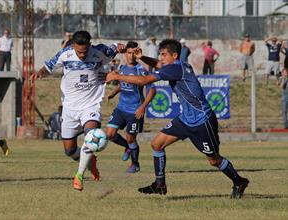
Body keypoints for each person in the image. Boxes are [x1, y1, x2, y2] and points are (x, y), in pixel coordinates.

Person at [106, 39, 249, 199]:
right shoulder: (177, 65)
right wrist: (142, 57)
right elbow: (158, 64)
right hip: (185, 119)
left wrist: (118, 76)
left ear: (174, 55)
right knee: (157, 144)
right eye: (161, 54)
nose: (162, 58)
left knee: (214, 160)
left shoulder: (175, 69)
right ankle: (160, 185)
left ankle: (239, 181)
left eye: (164, 55)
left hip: (202, 121)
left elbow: (144, 80)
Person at [31, 30, 125, 191]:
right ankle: (91, 162)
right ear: (73, 45)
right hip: (69, 108)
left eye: (84, 51)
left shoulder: (99, 52)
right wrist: (39, 73)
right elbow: (48, 66)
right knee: (70, 150)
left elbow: (114, 48)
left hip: (91, 105)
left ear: (89, 45)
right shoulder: (65, 54)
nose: (82, 55)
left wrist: (120, 47)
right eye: (78, 51)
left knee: (91, 135)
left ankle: (79, 176)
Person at [106, 41, 156, 173]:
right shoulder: (122, 68)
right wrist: (113, 93)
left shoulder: (141, 70)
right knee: (110, 134)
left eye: (134, 53)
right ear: (125, 54)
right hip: (121, 108)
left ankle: (135, 164)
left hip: (135, 110)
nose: (131, 56)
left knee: (130, 138)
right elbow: (123, 84)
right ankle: (127, 147)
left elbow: (152, 90)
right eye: (129, 53)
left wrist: (143, 107)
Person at [278, 64, 288, 129]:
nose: (285, 73)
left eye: (286, 72)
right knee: (284, 111)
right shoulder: (281, 78)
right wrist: (283, 78)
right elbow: (280, 86)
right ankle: (286, 125)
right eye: (284, 72)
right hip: (284, 97)